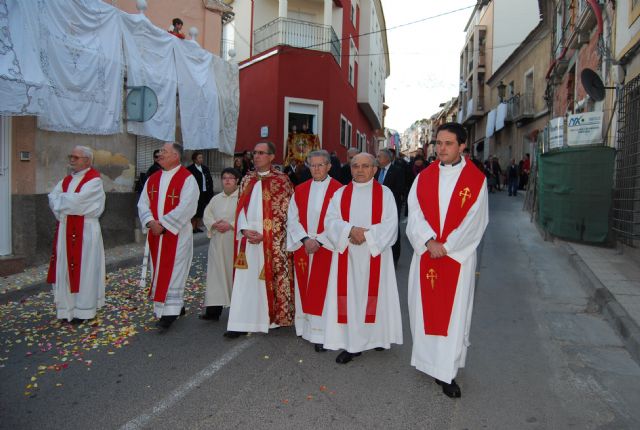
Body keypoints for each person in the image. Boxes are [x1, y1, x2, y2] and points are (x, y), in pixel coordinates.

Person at [406, 122, 488, 398]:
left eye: (448, 143)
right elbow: (414, 212)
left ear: (462, 145)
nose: (441, 148)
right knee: (423, 311)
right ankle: (427, 361)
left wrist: (448, 246)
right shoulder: (424, 176)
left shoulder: (476, 179)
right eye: (438, 143)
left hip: (457, 259)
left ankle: (447, 371)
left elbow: (475, 219)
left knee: (453, 314)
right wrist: (429, 241)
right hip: (427, 253)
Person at [317, 153, 403, 364]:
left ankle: (378, 337)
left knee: (377, 296)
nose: (360, 170)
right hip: (348, 254)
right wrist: (350, 231)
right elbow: (330, 221)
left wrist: (366, 236)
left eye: (366, 166)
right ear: (350, 168)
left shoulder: (385, 194)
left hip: (376, 254)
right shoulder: (340, 194)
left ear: (375, 169)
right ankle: (352, 344)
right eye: (355, 166)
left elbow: (391, 224)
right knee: (351, 299)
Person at [225, 142, 295, 338]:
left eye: (261, 153)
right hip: (248, 240)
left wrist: (267, 234)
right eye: (254, 153)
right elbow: (240, 208)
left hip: (271, 240)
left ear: (272, 157)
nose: (256, 156)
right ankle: (240, 322)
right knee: (245, 281)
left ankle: (269, 318)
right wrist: (245, 229)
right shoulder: (247, 179)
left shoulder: (282, 181)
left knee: (266, 278)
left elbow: (287, 212)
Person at [138, 142, 199, 331]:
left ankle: (168, 314)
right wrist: (150, 222)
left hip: (177, 234)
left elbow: (187, 206)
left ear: (176, 156)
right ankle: (175, 306)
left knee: (174, 270)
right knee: (160, 269)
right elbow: (143, 203)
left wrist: (163, 225)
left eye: (164, 152)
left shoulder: (187, 179)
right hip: (157, 235)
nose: (159, 154)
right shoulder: (153, 178)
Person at [287, 150, 343, 352]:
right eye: (313, 165)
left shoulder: (339, 190)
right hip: (304, 245)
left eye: (321, 165)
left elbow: (339, 222)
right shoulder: (300, 190)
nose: (317, 169)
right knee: (304, 287)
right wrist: (304, 239)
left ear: (329, 166)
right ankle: (305, 328)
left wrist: (318, 240)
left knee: (325, 289)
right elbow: (291, 219)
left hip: (326, 246)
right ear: (308, 166)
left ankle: (322, 333)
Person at [47, 146, 106, 324]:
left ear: (87, 160)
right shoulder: (65, 180)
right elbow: (52, 197)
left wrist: (63, 202)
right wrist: (66, 204)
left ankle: (84, 311)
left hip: (86, 231)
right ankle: (67, 309)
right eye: (70, 156)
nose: (72, 159)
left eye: (76, 157)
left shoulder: (94, 180)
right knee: (65, 268)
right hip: (67, 229)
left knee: (85, 270)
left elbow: (79, 203)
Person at [200, 167, 241, 321]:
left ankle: (237, 313)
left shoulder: (242, 198)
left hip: (234, 243)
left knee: (234, 276)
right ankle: (213, 312)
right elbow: (207, 214)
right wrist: (214, 225)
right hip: (217, 243)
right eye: (224, 178)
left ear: (237, 180)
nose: (227, 180)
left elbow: (246, 216)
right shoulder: (216, 199)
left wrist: (230, 224)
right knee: (215, 277)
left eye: (231, 177)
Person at [375, 148, 405, 267]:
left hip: (391, 206)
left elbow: (400, 188)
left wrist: (386, 197)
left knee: (394, 231)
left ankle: (394, 258)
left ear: (387, 158)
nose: (377, 159)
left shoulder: (397, 171)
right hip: (377, 207)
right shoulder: (376, 171)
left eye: (379, 157)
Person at [187, 151, 214, 233]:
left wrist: (210, 191)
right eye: (199, 157)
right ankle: (192, 227)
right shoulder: (190, 169)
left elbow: (209, 180)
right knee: (194, 209)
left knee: (201, 210)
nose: (201, 159)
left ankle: (197, 226)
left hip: (204, 192)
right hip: (195, 193)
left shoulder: (205, 168)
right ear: (195, 159)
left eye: (201, 157)